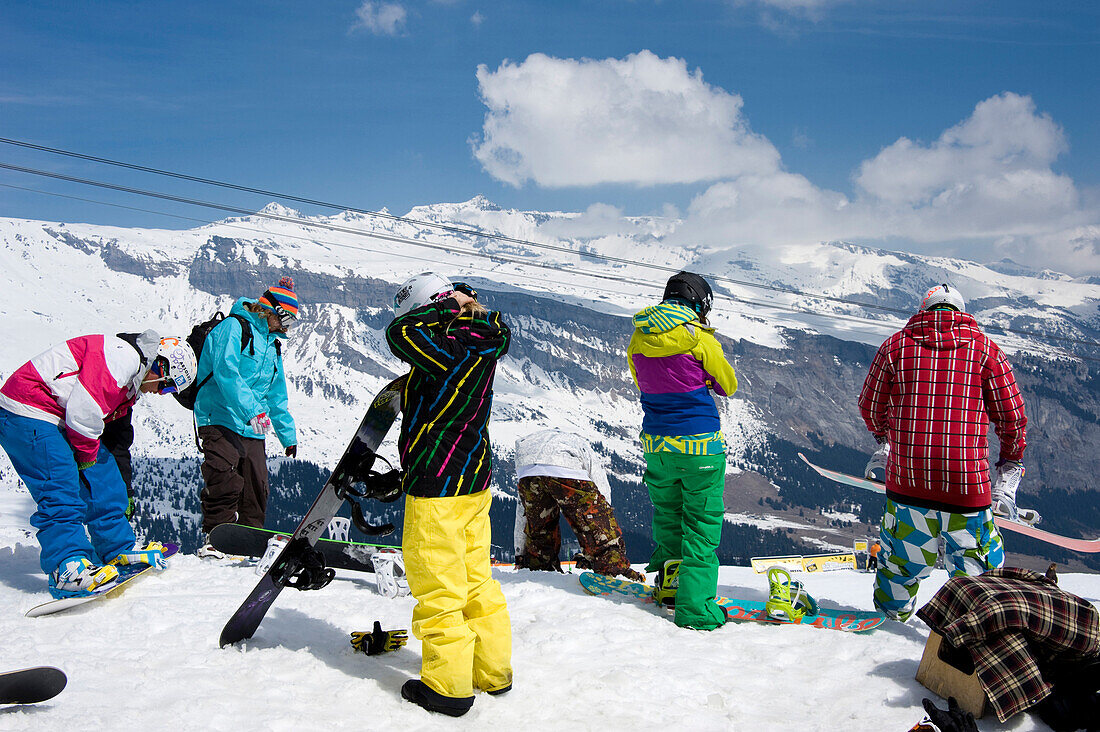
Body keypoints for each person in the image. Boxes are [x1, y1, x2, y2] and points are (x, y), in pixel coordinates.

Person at [858, 283, 1026, 621]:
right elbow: (1013, 418)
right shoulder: (986, 351)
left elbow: (870, 406)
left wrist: (887, 439)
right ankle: (971, 640)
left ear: (924, 309)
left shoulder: (895, 346)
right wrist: (1010, 460)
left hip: (909, 488)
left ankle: (891, 629)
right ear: (962, 313)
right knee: (978, 581)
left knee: (899, 569)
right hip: (967, 489)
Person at [385, 273, 512, 717]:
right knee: (477, 579)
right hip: (474, 481)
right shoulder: (482, 341)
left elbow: (398, 334)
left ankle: (448, 688)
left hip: (437, 484)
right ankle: (493, 672)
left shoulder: (447, 349)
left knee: (438, 587)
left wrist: (444, 306)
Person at [0, 330, 196, 598]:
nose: (163, 393)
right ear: (161, 366)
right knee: (61, 489)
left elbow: (112, 439)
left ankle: (117, 551)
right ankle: (67, 569)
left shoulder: (131, 381)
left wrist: (107, 473)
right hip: (27, 409)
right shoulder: (121, 358)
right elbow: (83, 414)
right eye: (169, 386)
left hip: (58, 417)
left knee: (106, 480)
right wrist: (85, 459)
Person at [627, 271, 738, 631]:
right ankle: (696, 610)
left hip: (656, 444)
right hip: (700, 446)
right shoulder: (699, 339)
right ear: (700, 303)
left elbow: (642, 380)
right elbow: (728, 386)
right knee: (701, 526)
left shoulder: (638, 339)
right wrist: (703, 379)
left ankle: (670, 589)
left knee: (668, 516)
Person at [194, 276, 299, 556]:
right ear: (272, 311)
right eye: (287, 320)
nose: (287, 328)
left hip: (253, 426)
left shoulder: (272, 344)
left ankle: (250, 543)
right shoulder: (233, 328)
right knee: (224, 478)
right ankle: (216, 539)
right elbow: (226, 372)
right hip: (220, 416)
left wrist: (287, 435)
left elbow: (276, 394)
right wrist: (252, 411)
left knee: (257, 487)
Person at [513, 428, 644, 582]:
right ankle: (614, 570)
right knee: (597, 521)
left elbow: (523, 510)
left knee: (540, 526)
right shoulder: (583, 446)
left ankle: (539, 566)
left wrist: (520, 553)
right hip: (564, 464)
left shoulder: (536, 440)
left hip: (526, 467)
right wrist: (603, 524)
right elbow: (602, 492)